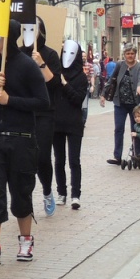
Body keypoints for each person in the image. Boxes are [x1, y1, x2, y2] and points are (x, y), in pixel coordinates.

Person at [0, 20, 49, 265]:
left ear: (8, 36)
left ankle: (26, 240)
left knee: (21, 192)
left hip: (22, 139)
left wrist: (9, 100)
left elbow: (42, 102)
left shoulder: (27, 66)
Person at [24, 17, 61, 216]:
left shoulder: (50, 55)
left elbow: (55, 85)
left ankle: (47, 190)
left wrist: (41, 64)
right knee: (24, 158)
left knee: (43, 157)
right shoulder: (19, 54)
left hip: (45, 113)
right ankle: (25, 197)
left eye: (32, 29)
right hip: (23, 112)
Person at [54, 40, 89, 210]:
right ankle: (61, 192)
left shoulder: (82, 77)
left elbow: (77, 99)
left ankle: (76, 194)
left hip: (74, 123)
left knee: (74, 160)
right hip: (56, 122)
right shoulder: (56, 73)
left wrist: (65, 84)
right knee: (59, 160)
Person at [100, 46, 140, 165]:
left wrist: (139, 87)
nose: (130, 55)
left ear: (135, 54)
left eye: (132, 53)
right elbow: (111, 80)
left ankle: (137, 155)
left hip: (135, 105)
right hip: (120, 103)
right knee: (119, 129)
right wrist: (103, 94)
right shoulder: (120, 65)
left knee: (136, 129)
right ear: (124, 54)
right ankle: (117, 156)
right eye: (127, 53)